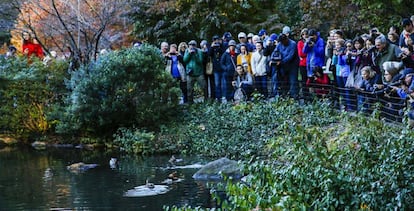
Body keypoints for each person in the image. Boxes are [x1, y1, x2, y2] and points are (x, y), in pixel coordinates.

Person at [274, 34, 299, 98]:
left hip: (292, 65)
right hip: (283, 67)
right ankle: (284, 95)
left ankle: (294, 96)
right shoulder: (279, 44)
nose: (282, 43)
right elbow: (275, 52)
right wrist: (273, 59)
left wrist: (281, 61)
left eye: (283, 42)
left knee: (293, 81)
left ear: (286, 39)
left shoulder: (293, 44)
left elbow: (290, 56)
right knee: (284, 81)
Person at [210, 35, 225, 102]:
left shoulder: (222, 46)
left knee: (224, 84)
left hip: (222, 68)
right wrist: (212, 47)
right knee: (217, 84)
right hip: (216, 69)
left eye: (217, 40)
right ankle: (218, 98)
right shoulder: (212, 48)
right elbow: (209, 54)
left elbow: (224, 53)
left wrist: (219, 47)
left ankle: (224, 97)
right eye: (215, 40)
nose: (216, 41)